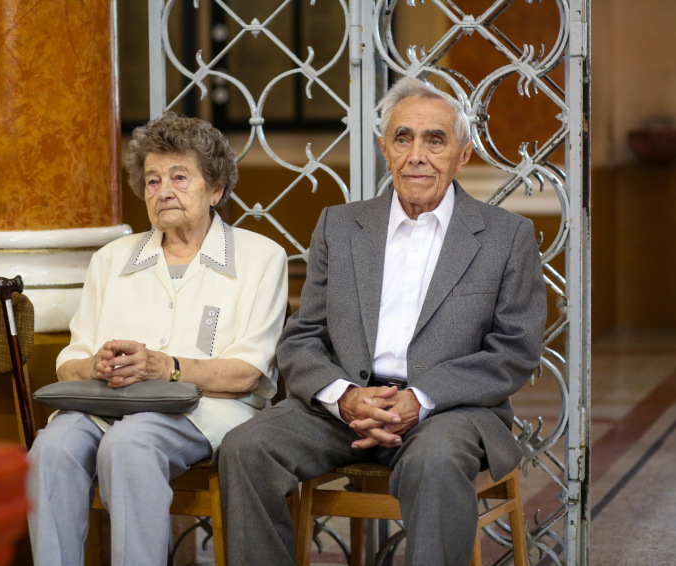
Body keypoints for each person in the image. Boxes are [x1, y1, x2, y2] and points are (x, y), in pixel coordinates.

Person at [218, 77, 547, 566]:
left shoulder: (506, 236)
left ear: (463, 155)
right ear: (384, 149)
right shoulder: (339, 225)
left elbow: (515, 350)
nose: (416, 155)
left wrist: (420, 399)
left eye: (435, 140)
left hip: (449, 412)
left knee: (435, 461)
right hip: (344, 409)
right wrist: (345, 398)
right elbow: (302, 337)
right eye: (403, 138)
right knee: (247, 448)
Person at [27, 112, 288, 566]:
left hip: (207, 409)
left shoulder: (261, 257)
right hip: (107, 404)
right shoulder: (110, 260)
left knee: (130, 444)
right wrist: (96, 366)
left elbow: (247, 374)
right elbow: (70, 364)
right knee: (49, 448)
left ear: (216, 189)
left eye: (179, 177)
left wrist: (165, 367)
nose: (163, 190)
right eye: (152, 180)